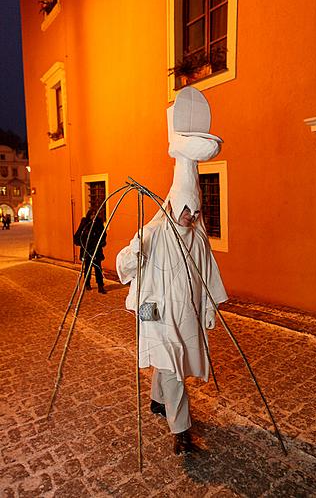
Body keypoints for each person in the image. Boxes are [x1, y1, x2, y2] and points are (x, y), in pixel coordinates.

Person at [116, 87, 228, 454]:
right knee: (173, 367)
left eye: (194, 213)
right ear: (173, 204)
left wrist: (210, 308)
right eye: (185, 211)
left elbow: (208, 276)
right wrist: (134, 252)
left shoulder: (198, 237)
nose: (190, 218)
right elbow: (123, 266)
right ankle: (181, 432)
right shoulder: (151, 232)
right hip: (156, 312)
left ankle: (156, 400)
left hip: (186, 315)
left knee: (169, 366)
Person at [74, 208, 107, 294]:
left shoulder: (99, 223)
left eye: (95, 214)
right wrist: (80, 242)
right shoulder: (85, 223)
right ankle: (87, 283)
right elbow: (78, 234)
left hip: (96, 249)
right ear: (89, 215)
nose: (93, 216)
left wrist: (102, 242)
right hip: (87, 249)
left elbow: (103, 234)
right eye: (92, 214)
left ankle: (100, 286)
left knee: (98, 268)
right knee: (87, 268)